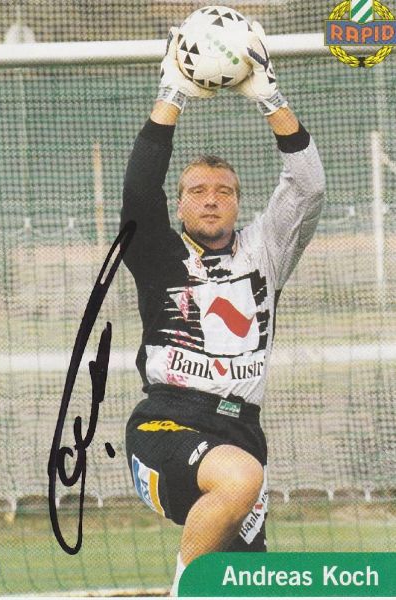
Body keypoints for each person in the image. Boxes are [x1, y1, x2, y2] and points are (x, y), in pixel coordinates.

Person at [120, 22, 325, 596]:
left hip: (242, 433)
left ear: (238, 203)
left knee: (247, 584)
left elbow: (308, 188)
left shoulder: (266, 252)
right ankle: (183, 590)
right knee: (238, 478)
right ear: (181, 206)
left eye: (224, 191)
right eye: (197, 191)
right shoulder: (159, 256)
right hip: (167, 423)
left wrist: (268, 96)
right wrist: (173, 93)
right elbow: (138, 195)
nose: (211, 200)